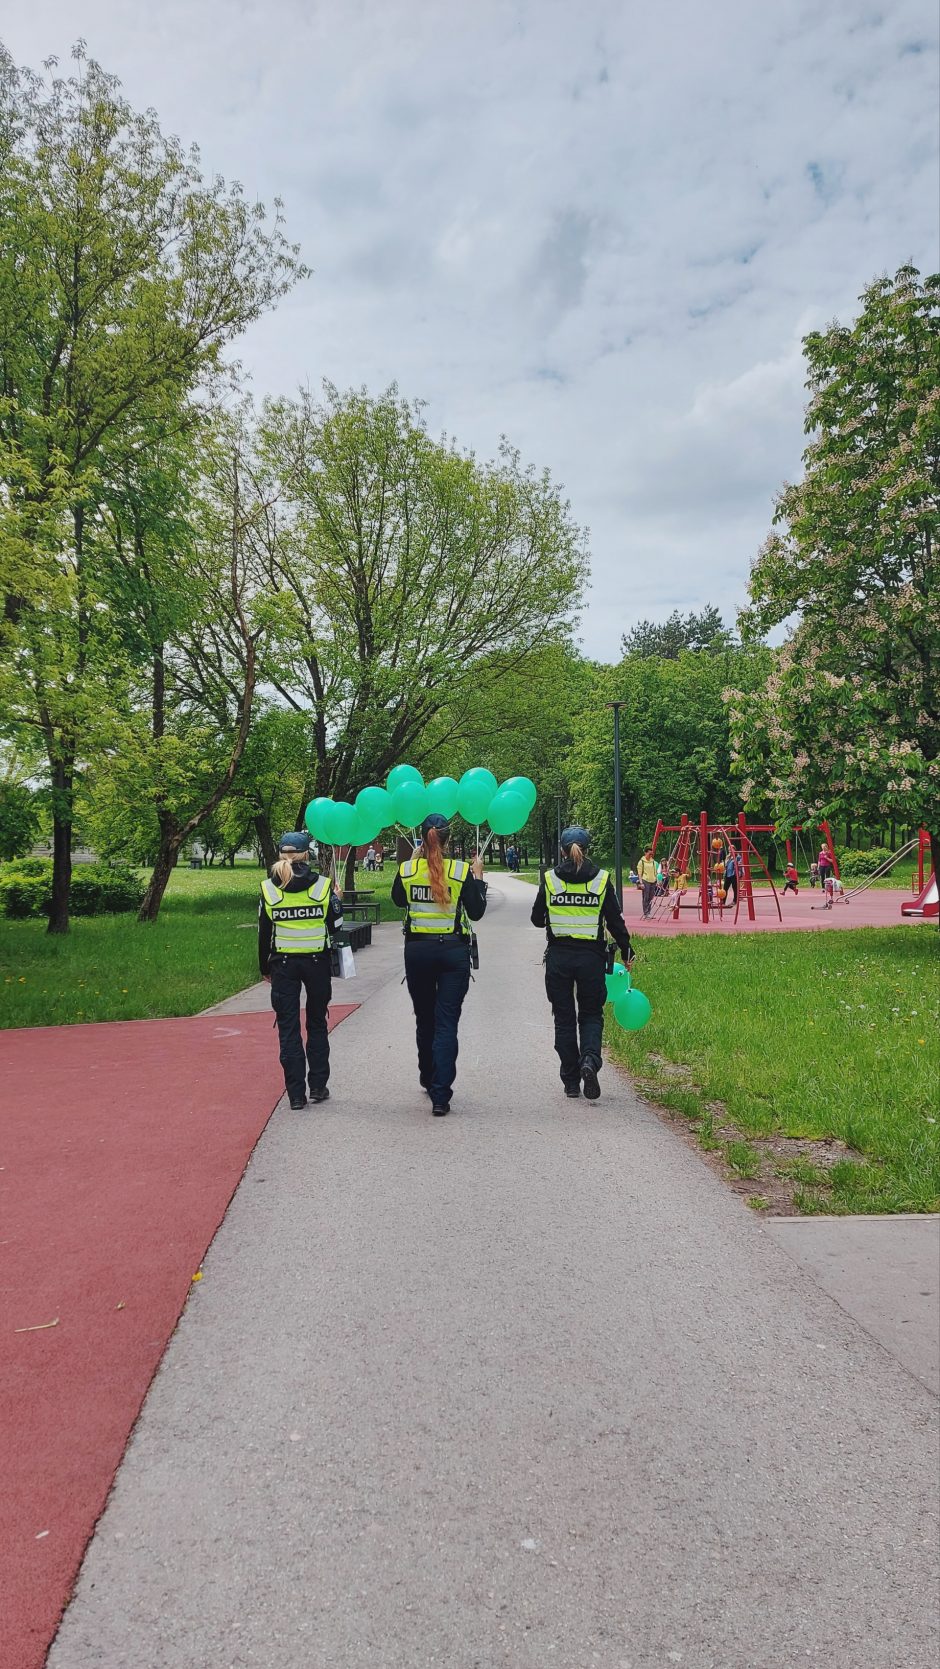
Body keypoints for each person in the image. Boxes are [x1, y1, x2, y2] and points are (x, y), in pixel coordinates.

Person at [392, 814, 488, 1116]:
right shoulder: (461, 872)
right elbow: (477, 911)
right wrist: (479, 878)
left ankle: (427, 1075)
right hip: (452, 953)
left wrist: (417, 858)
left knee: (424, 1017)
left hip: (418, 951)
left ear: (423, 838)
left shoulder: (406, 870)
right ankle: (441, 1096)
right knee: (446, 1022)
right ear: (446, 840)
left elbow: (398, 900)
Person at [531, 826, 633, 1102]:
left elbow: (536, 918)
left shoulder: (551, 880)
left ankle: (571, 1081)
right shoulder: (601, 880)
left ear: (562, 851)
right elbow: (615, 920)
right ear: (586, 850)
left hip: (559, 959)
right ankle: (589, 1060)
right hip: (591, 959)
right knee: (590, 1013)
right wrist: (627, 950)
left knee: (563, 1019)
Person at [259, 832, 345, 1110]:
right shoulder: (323, 887)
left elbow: (264, 934)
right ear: (307, 854)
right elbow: (337, 926)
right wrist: (337, 900)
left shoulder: (268, 889)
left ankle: (296, 1095)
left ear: (281, 854)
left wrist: (264, 968)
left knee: (288, 1027)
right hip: (317, 963)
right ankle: (318, 1086)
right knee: (317, 1022)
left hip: (282, 965)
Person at [637, 847, 658, 917]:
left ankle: (649, 912)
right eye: (649, 854)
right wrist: (641, 883)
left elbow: (656, 872)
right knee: (646, 897)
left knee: (651, 897)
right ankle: (646, 913)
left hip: (653, 881)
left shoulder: (653, 862)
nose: (651, 855)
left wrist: (657, 880)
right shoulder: (641, 862)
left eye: (652, 854)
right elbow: (639, 873)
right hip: (645, 880)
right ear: (645, 853)